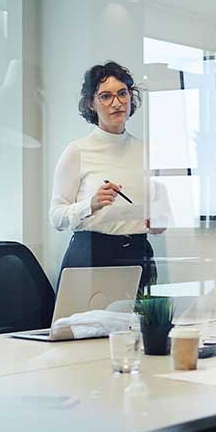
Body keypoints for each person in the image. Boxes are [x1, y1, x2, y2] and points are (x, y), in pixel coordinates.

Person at [49, 61, 168, 292]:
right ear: (91, 104)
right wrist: (90, 205)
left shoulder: (147, 152)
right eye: (105, 96)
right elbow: (56, 217)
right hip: (92, 257)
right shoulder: (77, 151)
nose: (117, 103)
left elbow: (161, 216)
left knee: (138, 327)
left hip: (138, 255)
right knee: (89, 328)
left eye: (122, 94)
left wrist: (158, 222)